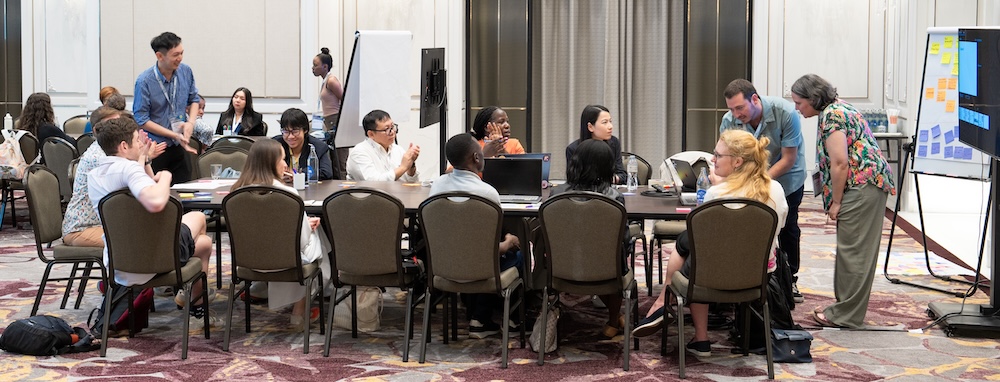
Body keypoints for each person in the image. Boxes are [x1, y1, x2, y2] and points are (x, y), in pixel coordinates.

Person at [632, 130, 788, 357]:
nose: (711, 160)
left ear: (737, 162)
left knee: (691, 252)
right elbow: (778, 229)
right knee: (690, 245)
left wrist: (719, 186)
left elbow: (704, 241)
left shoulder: (717, 193)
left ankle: (697, 335)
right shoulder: (776, 189)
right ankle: (664, 305)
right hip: (758, 275)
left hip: (713, 276)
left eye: (717, 155)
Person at [790, 74, 895, 329]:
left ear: (813, 98)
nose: (796, 108)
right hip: (866, 185)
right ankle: (842, 308)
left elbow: (840, 163)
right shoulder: (838, 108)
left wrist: (836, 202)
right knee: (852, 249)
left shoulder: (832, 116)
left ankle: (846, 315)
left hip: (861, 188)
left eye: (799, 103)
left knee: (855, 252)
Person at [86, 117, 215, 325]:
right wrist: (165, 176)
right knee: (198, 217)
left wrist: (143, 161)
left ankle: (194, 300)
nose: (141, 144)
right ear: (124, 146)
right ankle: (194, 303)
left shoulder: (95, 174)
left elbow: (140, 183)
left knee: (204, 245)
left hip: (118, 262)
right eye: (138, 140)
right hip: (154, 260)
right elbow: (156, 202)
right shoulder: (128, 170)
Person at [720, 78, 808, 303]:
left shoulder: (785, 112)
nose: (736, 114)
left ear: (755, 99)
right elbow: (726, 158)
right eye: (731, 109)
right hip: (746, 184)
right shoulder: (729, 120)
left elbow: (788, 158)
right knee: (746, 226)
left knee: (786, 227)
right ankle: (745, 276)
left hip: (787, 180)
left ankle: (790, 279)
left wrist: (759, 179)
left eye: (740, 107)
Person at [230, 139, 331, 327]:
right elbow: (299, 242)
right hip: (285, 263)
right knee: (317, 238)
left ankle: (262, 289)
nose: (286, 164)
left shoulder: (235, 194)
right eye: (283, 159)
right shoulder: (288, 194)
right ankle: (299, 313)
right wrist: (307, 226)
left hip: (247, 262)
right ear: (271, 163)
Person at [430, 133, 522, 338]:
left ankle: (479, 318)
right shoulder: (487, 194)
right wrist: (509, 242)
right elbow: (490, 248)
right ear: (476, 158)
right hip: (480, 269)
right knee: (516, 255)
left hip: (444, 268)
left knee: (473, 252)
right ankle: (512, 321)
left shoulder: (437, 186)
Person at [549, 138, 627, 338]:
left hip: (562, 266)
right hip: (605, 269)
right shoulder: (614, 198)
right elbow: (623, 238)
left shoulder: (556, 194)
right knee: (615, 257)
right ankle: (613, 318)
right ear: (607, 167)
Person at [63, 108, 165, 247]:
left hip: (105, 224)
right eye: (112, 123)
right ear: (97, 130)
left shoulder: (115, 155)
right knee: (151, 239)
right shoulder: (101, 158)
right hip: (82, 229)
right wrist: (164, 176)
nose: (117, 126)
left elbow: (145, 183)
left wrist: (143, 158)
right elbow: (140, 190)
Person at [133, 31, 200, 183]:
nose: (180, 58)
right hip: (155, 147)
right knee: (157, 195)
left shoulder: (185, 71)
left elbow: (194, 99)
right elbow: (142, 120)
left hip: (179, 145)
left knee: (184, 192)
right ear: (160, 56)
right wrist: (173, 134)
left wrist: (190, 123)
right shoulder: (144, 81)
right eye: (175, 55)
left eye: (182, 53)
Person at [346, 110, 420, 182]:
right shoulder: (359, 152)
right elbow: (374, 182)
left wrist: (411, 165)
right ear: (371, 134)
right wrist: (403, 167)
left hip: (397, 193)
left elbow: (413, 181)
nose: (393, 132)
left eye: (392, 127)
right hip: (371, 194)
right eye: (387, 129)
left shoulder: (397, 149)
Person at [565, 105, 626, 184]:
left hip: (608, 191)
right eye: (604, 122)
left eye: (610, 121)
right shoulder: (573, 149)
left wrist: (611, 179)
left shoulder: (614, 143)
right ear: (590, 127)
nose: (610, 126)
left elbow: (622, 174)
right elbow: (572, 180)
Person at [272, 108, 339, 181]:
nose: (290, 136)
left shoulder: (318, 146)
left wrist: (298, 175)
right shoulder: (275, 145)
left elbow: (326, 172)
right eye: (286, 131)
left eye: (295, 131)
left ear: (305, 130)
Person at [312, 47, 347, 173]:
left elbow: (344, 99)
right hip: (328, 120)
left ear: (325, 67)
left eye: (315, 65)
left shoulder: (331, 80)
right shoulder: (325, 80)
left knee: (339, 157)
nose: (313, 68)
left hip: (335, 119)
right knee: (332, 157)